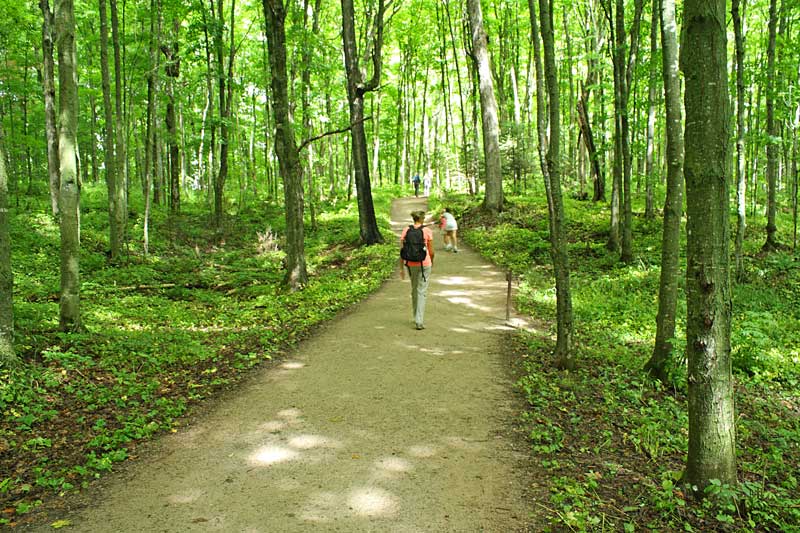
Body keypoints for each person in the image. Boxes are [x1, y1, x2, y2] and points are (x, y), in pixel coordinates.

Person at [400, 210, 435, 330]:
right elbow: (431, 252)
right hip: (424, 263)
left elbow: (402, 250)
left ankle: (415, 316)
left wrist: (401, 268)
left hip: (410, 263)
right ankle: (419, 320)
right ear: (422, 219)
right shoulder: (427, 231)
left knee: (414, 289)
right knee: (422, 291)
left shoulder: (406, 230)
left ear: (413, 219)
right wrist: (432, 263)